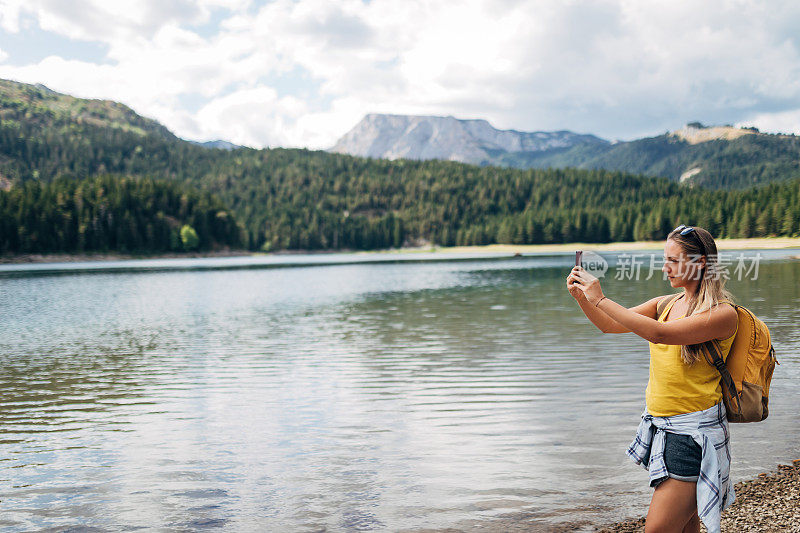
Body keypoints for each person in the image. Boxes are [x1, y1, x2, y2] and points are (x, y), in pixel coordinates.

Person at [565, 225, 738, 533]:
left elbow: (660, 334)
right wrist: (583, 297)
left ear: (699, 263)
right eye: (664, 259)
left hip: (693, 437)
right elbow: (610, 326)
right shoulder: (665, 304)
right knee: (685, 529)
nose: (665, 267)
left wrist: (601, 297)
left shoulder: (722, 314)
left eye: (673, 260)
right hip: (666, 430)